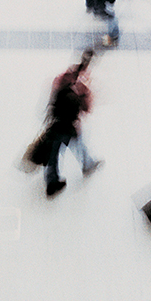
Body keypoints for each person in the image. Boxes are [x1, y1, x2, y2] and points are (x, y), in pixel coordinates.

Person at [44, 49, 102, 197]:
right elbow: (86, 107)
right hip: (70, 124)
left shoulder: (66, 75)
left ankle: (52, 181)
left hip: (57, 121)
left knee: (53, 152)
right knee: (78, 143)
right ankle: (87, 164)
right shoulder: (83, 84)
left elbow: (55, 89)